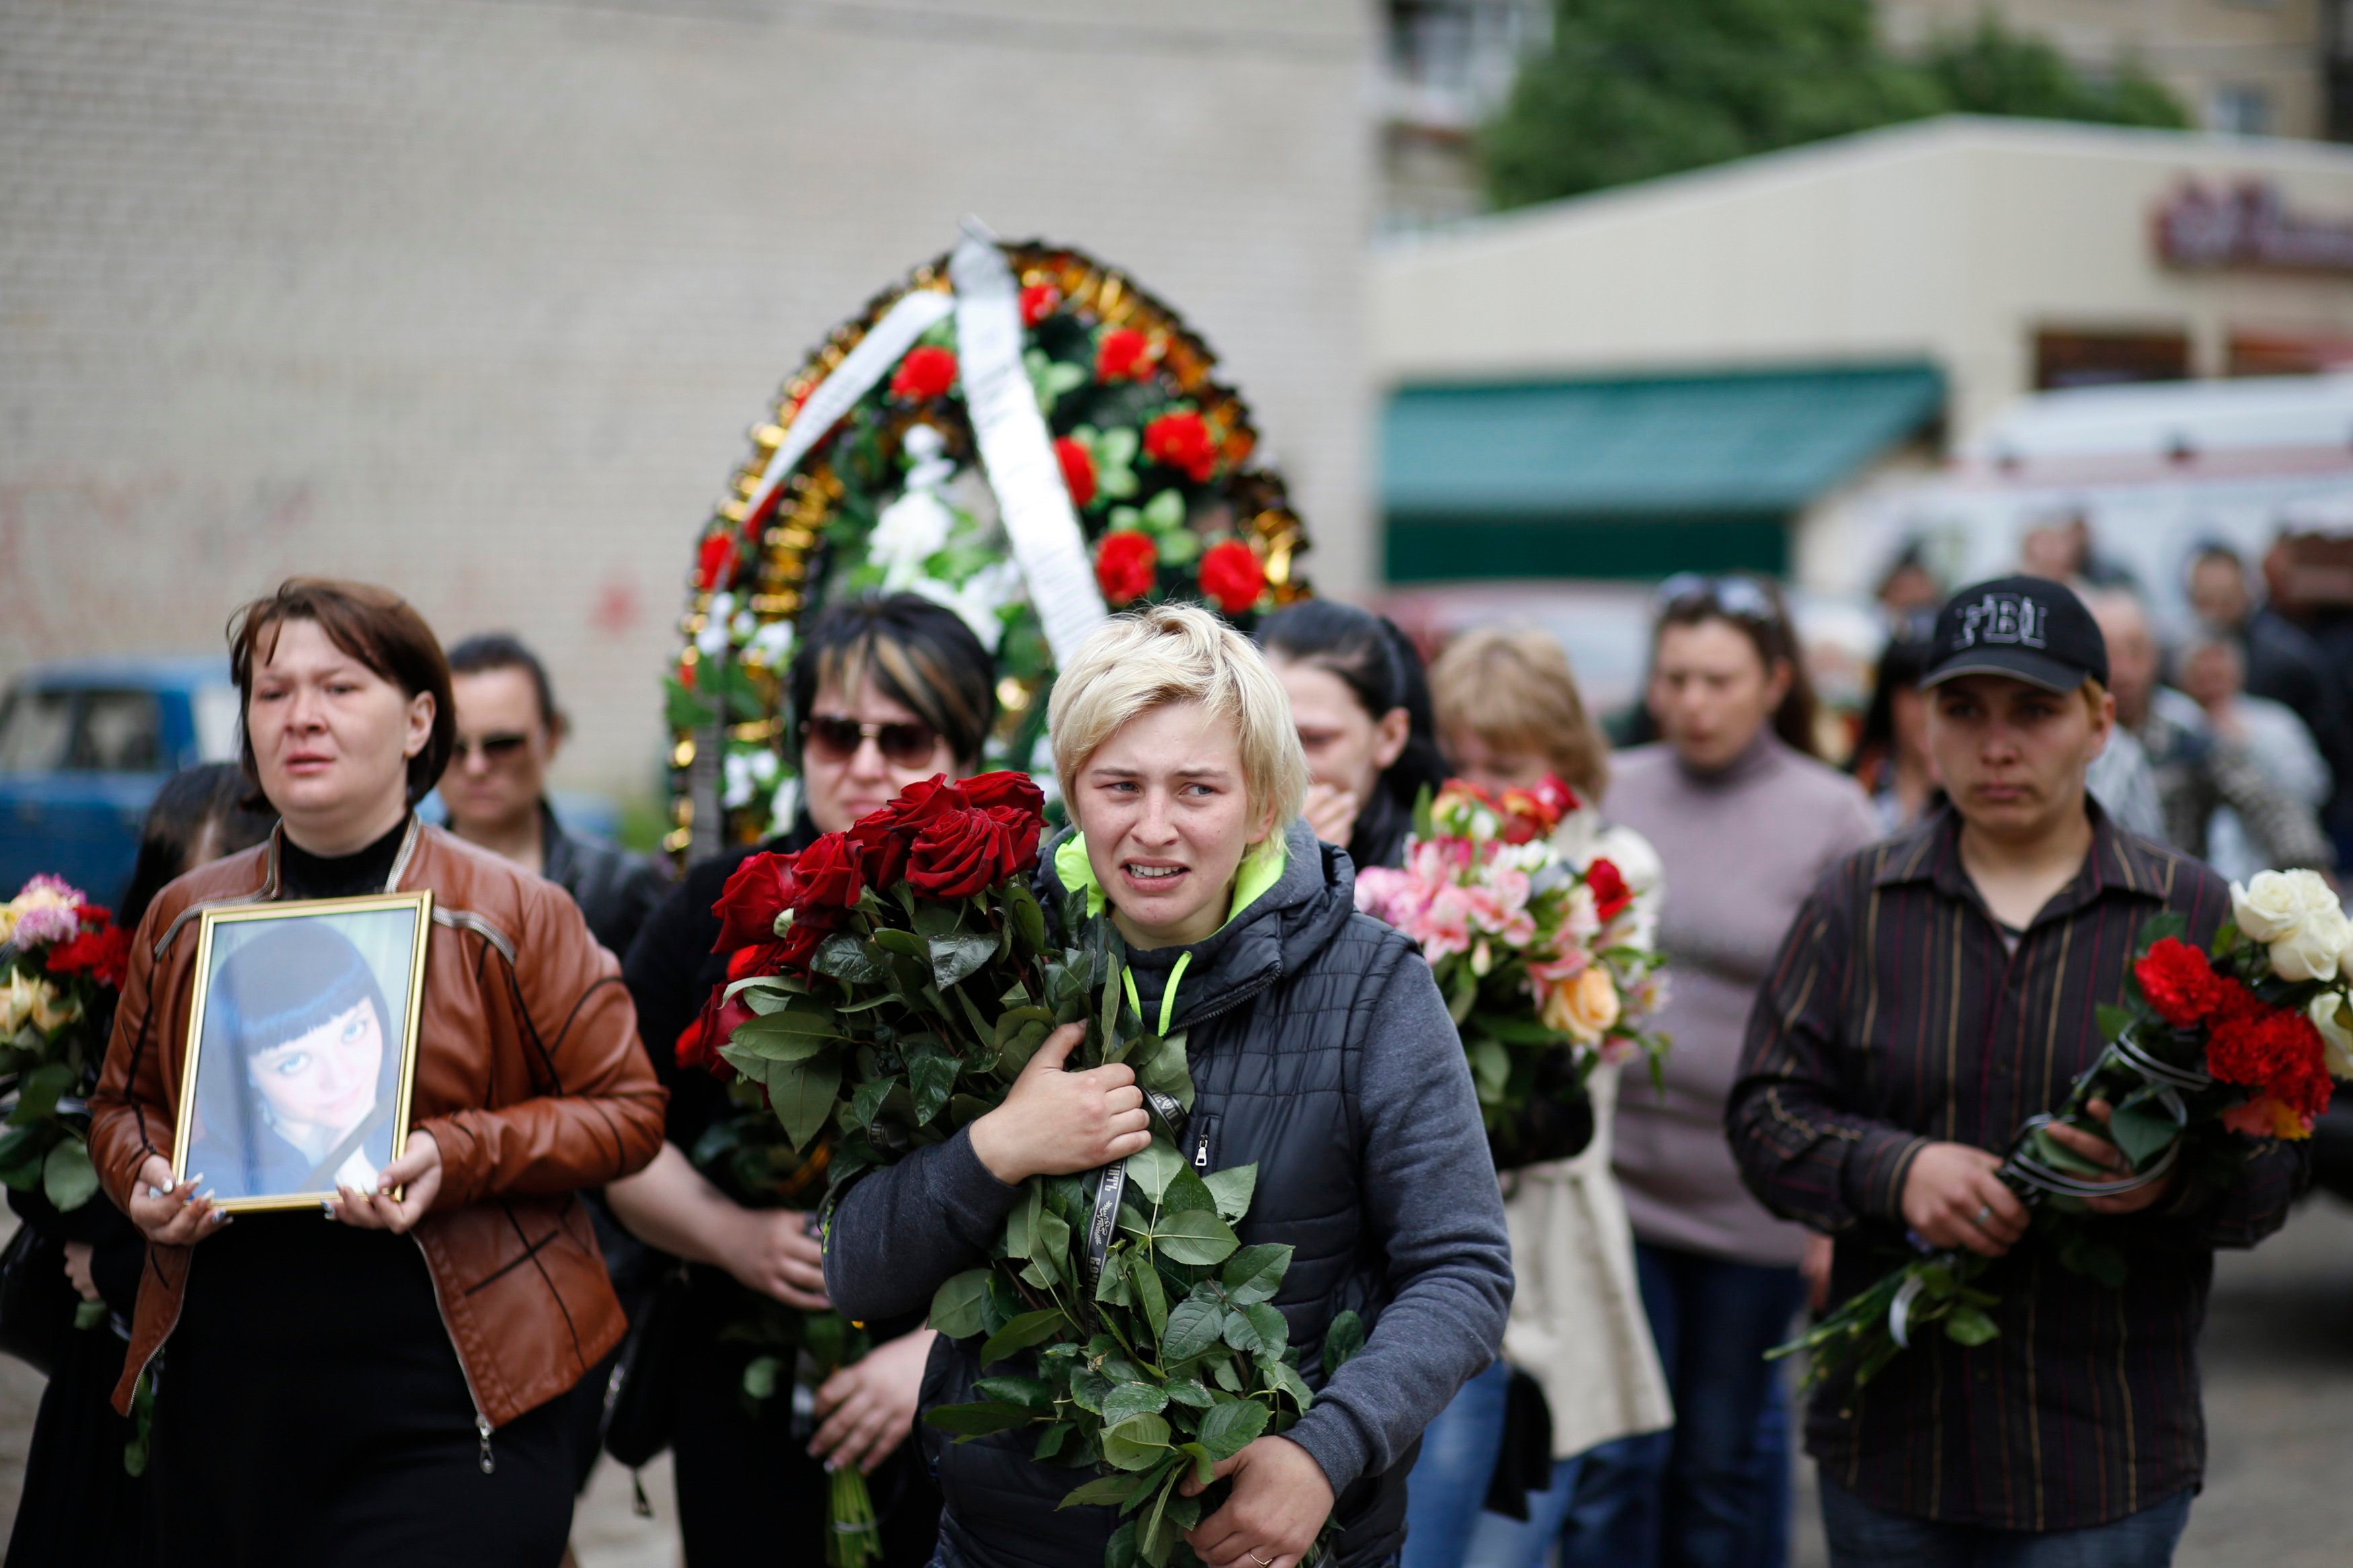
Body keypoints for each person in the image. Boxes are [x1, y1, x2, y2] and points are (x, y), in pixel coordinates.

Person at [824, 603, 1513, 1568]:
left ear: (1264, 802)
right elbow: (856, 1270)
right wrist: (999, 1148)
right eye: (1119, 785)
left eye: (1198, 789)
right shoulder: (984, 971)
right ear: (1071, 788)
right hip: (1007, 1547)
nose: (1155, 828)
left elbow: (1463, 1269)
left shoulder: (1373, 989)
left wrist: (1324, 1455)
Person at [88, 577, 668, 1565]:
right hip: (233, 1411)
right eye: (272, 693)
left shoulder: (513, 912)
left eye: (339, 687)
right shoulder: (184, 917)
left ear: (418, 721)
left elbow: (628, 1114)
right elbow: (123, 1108)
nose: (300, 716)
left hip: (453, 1409)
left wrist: (458, 1149)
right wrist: (142, 1176)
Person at [1728, 575, 2305, 1565]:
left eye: (2035, 711)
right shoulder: (1857, 903)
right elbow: (1764, 1114)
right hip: (1895, 1444)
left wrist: (2165, 1182)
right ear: (1923, 724)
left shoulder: (2196, 914)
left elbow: (2273, 1173)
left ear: (2099, 721)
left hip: (2101, 1453)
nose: (1997, 745)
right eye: (1963, 710)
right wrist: (1895, 1170)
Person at [610, 593, 990, 1565]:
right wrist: (726, 1233)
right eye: (835, 730)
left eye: (902, 735)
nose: (864, 763)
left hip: (962, 1390)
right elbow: (608, 1126)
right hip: (744, 1365)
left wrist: (934, 1355)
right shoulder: (715, 905)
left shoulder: (1009, 931)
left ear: (962, 749)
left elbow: (1064, 1173)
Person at [1601, 573, 1880, 1568]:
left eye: (1718, 679)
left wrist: (1828, 1208)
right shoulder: (1614, 784)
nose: (1692, 703)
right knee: (1623, 1453)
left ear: (1775, 682)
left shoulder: (1833, 813)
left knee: (1719, 1463)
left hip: (1752, 1199)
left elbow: (1861, 1023)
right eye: (1674, 678)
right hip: (1616, 1184)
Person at [1408, 628, 1673, 1568]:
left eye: (1509, 765)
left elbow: (1570, 1059)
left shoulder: (1615, 866)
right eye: (1462, 763)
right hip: (1433, 1241)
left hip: (1550, 1236)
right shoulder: (1415, 861)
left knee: (1517, 1535)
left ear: (1567, 758)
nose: (1482, 790)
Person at [4, 764, 272, 1568]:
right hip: (106, 1391)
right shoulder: (105, 995)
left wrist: (119, 1259)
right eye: (177, 890)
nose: (199, 928)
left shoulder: (299, 1027)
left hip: (234, 1397)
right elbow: (42, 1160)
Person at [444, 632, 669, 960]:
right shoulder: (396, 884)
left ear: (553, 735)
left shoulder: (616, 887)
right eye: (454, 747)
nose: (476, 766)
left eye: (502, 744)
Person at [2085, 586, 2332, 871]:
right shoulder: (2065, 739)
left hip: (2175, 903)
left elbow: (2266, 802)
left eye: (2135, 652)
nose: (2123, 671)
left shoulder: (2186, 736)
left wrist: (2308, 866)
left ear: (2155, 656)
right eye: (2109, 654)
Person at [190, 921, 403, 1200]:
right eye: (294, 1062)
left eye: (353, 1031)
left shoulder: (417, 1122)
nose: (340, 1077)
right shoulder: (208, 1180)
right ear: (245, 1073)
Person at [1254, 600, 1448, 872]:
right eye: (1269, 738)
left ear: (1390, 737)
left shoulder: (1439, 870)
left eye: (1317, 739)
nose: (1286, 767)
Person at [2173, 634, 2332, 885]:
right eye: (2201, 675)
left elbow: (2311, 786)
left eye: (2218, 673)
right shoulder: (2174, 725)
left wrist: (2246, 747)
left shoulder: (2276, 722)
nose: (2210, 683)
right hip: (2198, 870)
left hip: (2274, 862)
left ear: (2238, 674)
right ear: (2184, 680)